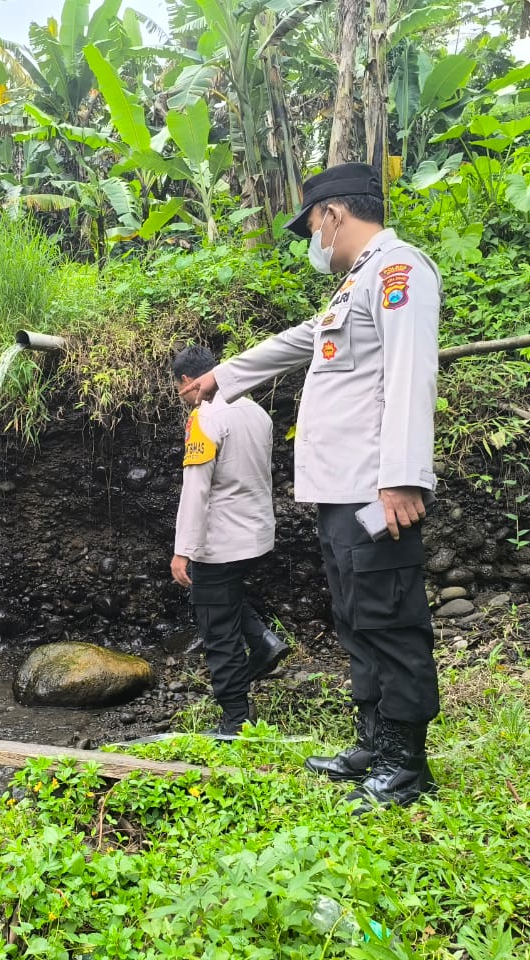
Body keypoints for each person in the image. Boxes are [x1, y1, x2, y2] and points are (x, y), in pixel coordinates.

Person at [179, 162, 441, 807]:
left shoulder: (399, 271)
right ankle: (372, 742)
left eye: (312, 227)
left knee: (390, 620)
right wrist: (222, 377)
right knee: (356, 618)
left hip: (376, 490)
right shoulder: (352, 287)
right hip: (339, 494)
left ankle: (405, 765)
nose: (313, 241)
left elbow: (411, 375)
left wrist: (403, 478)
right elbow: (298, 341)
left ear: (333, 215)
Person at [170, 344, 289, 738]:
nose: (183, 397)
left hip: (219, 542)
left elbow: (196, 489)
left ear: (188, 381)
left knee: (218, 631)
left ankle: (235, 721)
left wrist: (183, 550)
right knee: (223, 598)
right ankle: (264, 641)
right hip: (256, 534)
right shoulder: (256, 411)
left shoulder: (204, 417)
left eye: (180, 390)